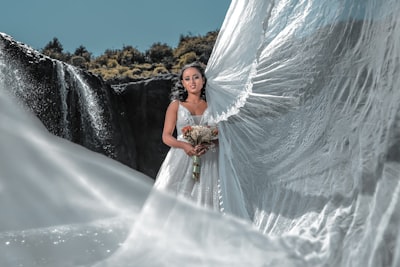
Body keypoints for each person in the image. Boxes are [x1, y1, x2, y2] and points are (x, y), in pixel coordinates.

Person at [154, 62, 221, 211]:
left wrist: (208, 145)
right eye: (187, 78)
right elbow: (166, 136)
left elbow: (224, 136)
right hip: (181, 158)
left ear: (203, 80)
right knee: (177, 200)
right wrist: (184, 145)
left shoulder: (214, 105)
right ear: (183, 83)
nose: (192, 82)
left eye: (196, 77)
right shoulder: (176, 105)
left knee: (209, 201)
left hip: (210, 159)